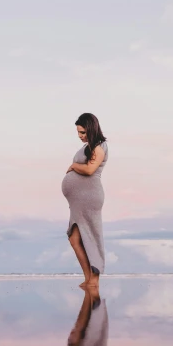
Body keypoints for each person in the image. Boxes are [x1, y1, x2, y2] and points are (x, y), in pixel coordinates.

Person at [61, 113, 108, 294]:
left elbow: (89, 169)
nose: (80, 135)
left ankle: (93, 280)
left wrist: (73, 166)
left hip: (89, 198)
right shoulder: (89, 146)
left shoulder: (99, 147)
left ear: (91, 128)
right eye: (78, 132)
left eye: (82, 132)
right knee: (74, 238)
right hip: (79, 201)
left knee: (91, 236)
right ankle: (88, 277)